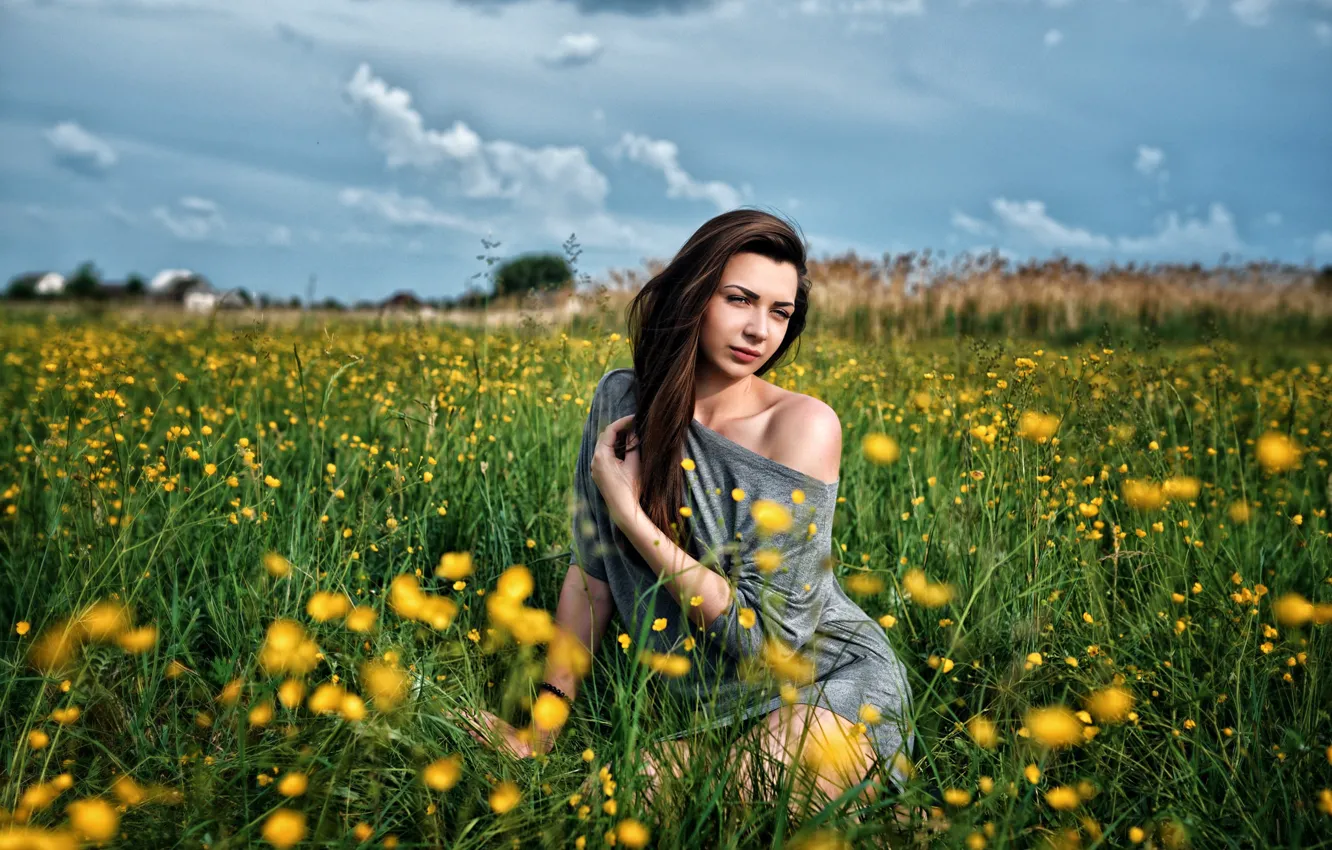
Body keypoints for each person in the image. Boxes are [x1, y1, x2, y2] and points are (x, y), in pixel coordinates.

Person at [457, 208, 921, 829]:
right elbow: (590, 578)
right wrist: (540, 733)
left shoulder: (801, 427)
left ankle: (901, 812)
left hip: (823, 684)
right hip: (707, 706)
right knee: (615, 801)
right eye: (739, 299)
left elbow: (767, 640)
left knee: (685, 806)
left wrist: (630, 515)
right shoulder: (622, 403)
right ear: (695, 296)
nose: (759, 330)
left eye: (780, 313)